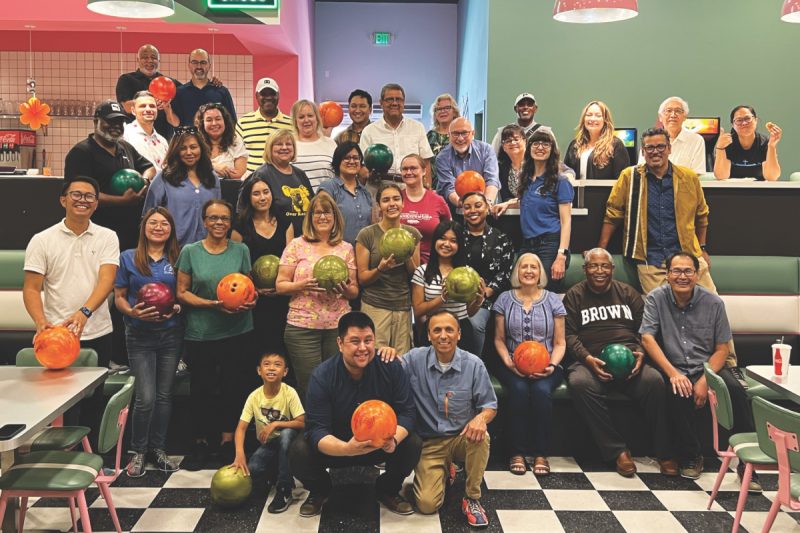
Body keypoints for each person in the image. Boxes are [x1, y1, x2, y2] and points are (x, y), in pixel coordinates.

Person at [288, 311, 421, 518]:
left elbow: (407, 413)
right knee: (299, 450)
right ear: (340, 343)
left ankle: (387, 489)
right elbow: (317, 430)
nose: (362, 348)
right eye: (354, 341)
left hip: (381, 444)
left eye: (368, 340)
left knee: (413, 443)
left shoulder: (391, 366)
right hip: (339, 445)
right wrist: (346, 449)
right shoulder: (322, 376)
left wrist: (393, 439)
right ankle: (320, 490)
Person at [640, 252, 756, 486]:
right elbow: (647, 339)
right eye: (676, 271)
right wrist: (673, 373)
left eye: (687, 271)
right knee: (677, 390)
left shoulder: (713, 302)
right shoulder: (655, 298)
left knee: (736, 390)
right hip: (674, 365)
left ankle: (749, 464)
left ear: (697, 274)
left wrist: (704, 380)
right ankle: (692, 456)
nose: (682, 276)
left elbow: (722, 349)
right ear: (668, 274)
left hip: (709, 365)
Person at [563, 248, 676, 477]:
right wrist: (586, 358)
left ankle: (665, 452)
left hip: (631, 361)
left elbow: (647, 330)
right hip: (591, 362)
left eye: (604, 266)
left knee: (655, 381)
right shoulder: (574, 295)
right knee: (579, 383)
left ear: (612, 269)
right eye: (593, 266)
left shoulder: (627, 293)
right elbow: (568, 335)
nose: (599, 271)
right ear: (585, 269)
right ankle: (617, 452)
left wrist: (641, 353)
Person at [176, 199, 256, 470]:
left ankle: (226, 442)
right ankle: (199, 443)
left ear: (230, 221)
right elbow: (181, 292)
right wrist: (209, 304)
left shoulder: (241, 250)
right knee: (202, 390)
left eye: (224, 218)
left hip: (238, 331)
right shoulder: (190, 251)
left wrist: (250, 302)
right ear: (204, 221)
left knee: (233, 389)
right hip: (201, 333)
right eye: (213, 218)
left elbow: (247, 288)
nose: (219, 223)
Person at [402, 310, 497, 527]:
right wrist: (386, 354)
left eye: (449, 330)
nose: (443, 335)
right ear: (429, 336)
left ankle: (472, 498)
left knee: (482, 437)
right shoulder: (413, 359)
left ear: (459, 334)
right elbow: (389, 371)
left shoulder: (474, 364)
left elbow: (490, 406)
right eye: (437, 330)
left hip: (461, 437)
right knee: (427, 505)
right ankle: (445, 468)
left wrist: (481, 418)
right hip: (430, 442)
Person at [598, 127, 718, 295]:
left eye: (661, 147)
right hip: (650, 260)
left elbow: (701, 215)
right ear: (643, 151)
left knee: (712, 304)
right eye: (650, 148)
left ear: (669, 149)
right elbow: (613, 215)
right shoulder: (629, 177)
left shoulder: (688, 177)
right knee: (660, 309)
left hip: (688, 255)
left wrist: (703, 248)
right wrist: (601, 250)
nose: (655, 152)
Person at [113, 207, 182, 477]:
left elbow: (184, 295)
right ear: (144, 227)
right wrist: (131, 311)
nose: (158, 227)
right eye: (153, 222)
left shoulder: (177, 257)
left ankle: (159, 449)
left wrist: (177, 308)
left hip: (171, 334)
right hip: (139, 335)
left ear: (171, 229)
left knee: (165, 396)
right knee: (146, 397)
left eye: (164, 223)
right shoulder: (129, 257)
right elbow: (119, 296)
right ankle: (138, 451)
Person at [23, 176, 119, 369]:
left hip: (97, 331)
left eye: (89, 196)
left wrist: (84, 313)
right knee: (54, 394)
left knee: (94, 397)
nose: (83, 200)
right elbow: (32, 289)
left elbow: (107, 280)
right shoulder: (41, 240)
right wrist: (41, 322)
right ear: (63, 200)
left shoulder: (108, 237)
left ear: (96, 204)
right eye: (76, 194)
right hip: (55, 334)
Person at [275, 192, 359, 397]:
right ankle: (313, 429)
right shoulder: (296, 245)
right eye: (317, 213)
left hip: (337, 328)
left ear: (335, 217)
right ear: (310, 217)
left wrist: (345, 290)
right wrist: (302, 285)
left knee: (338, 384)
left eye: (327, 212)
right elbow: (280, 285)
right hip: (302, 328)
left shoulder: (345, 248)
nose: (322, 217)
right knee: (310, 386)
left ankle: (335, 429)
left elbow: (354, 290)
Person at [492, 253, 566, 476]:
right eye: (524, 267)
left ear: (540, 273)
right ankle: (517, 452)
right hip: (512, 364)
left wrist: (551, 366)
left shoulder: (553, 299)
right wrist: (508, 361)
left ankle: (541, 453)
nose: (529, 271)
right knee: (519, 390)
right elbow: (498, 339)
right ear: (517, 272)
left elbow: (560, 343)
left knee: (542, 392)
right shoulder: (504, 298)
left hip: (548, 365)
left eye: (534, 267)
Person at [64, 100, 156, 251]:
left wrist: (144, 181)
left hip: (130, 232)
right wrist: (122, 201)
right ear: (96, 122)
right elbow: (80, 194)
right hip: (97, 233)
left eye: (120, 122)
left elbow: (149, 167)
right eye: (110, 121)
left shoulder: (125, 147)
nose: (116, 126)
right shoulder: (81, 153)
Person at [494, 128, 573, 292]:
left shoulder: (560, 181)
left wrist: (561, 255)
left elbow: (566, 221)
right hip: (528, 243)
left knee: (544, 290)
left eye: (546, 143)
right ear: (529, 148)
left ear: (552, 150)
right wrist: (508, 203)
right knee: (517, 286)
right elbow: (529, 200)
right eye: (536, 143)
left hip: (550, 243)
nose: (540, 147)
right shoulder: (527, 178)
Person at [230, 351, 305, 514]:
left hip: (290, 442)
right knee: (254, 469)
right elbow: (241, 428)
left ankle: (285, 488)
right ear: (259, 370)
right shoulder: (254, 396)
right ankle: (276, 470)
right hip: (270, 444)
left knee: (285, 435)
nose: (271, 368)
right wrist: (239, 454)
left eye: (277, 365)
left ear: (285, 372)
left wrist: (276, 424)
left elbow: (302, 422)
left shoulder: (289, 392)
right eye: (267, 364)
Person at [356, 182, 422, 354]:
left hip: (402, 306)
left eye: (396, 199)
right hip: (374, 306)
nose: (391, 203)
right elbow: (362, 278)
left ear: (403, 203)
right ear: (379, 206)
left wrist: (406, 258)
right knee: (374, 359)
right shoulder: (367, 234)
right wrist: (380, 269)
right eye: (386, 200)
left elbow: (416, 276)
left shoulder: (412, 234)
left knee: (401, 361)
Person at [231, 176, 293, 355]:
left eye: (266, 192)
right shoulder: (240, 225)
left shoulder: (283, 221)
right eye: (256, 194)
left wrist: (282, 285)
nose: (262, 197)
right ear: (248, 198)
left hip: (282, 295)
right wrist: (255, 289)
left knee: (281, 345)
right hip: (252, 298)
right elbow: (236, 265)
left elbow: (290, 259)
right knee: (257, 347)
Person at [412, 220, 485, 354]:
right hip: (434, 329)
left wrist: (479, 301)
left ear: (459, 245)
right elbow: (418, 310)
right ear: (435, 241)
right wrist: (442, 298)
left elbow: (469, 312)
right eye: (442, 239)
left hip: (461, 329)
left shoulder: (467, 272)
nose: (446, 244)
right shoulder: (422, 271)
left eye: (453, 241)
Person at [143, 126, 221, 247]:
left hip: (206, 250)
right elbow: (147, 217)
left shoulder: (212, 178)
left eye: (193, 147)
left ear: (201, 148)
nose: (189, 152)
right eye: (183, 148)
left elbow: (218, 214)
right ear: (175, 150)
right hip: (172, 250)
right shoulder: (163, 178)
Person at [461, 191, 514, 356]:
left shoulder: (501, 238)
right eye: (467, 207)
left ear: (487, 208)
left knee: (473, 323)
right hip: (457, 297)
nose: (472, 210)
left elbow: (505, 272)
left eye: (478, 205)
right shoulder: (456, 236)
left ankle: (474, 367)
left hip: (489, 299)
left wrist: (486, 292)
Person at [246, 129, 314, 236]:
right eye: (279, 144)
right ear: (270, 148)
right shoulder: (262, 174)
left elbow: (312, 205)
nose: (284, 147)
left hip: (304, 239)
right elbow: (247, 209)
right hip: (277, 239)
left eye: (288, 144)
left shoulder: (300, 174)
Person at [359, 83, 434, 180]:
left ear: (403, 103)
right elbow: (362, 166)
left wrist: (427, 189)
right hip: (379, 188)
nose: (394, 103)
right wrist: (369, 174)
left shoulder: (417, 127)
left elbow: (426, 162)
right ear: (381, 103)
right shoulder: (369, 131)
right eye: (389, 99)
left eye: (398, 99)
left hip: (410, 187)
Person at [115, 44, 179, 138]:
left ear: (158, 60)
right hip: (134, 138)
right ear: (138, 60)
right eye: (145, 57)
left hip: (163, 139)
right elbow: (126, 107)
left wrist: (166, 108)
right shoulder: (126, 79)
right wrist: (151, 101)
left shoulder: (170, 83)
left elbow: (176, 122)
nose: (149, 61)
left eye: (153, 57)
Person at [435, 117, 500, 208]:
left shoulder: (486, 150)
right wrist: (466, 206)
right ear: (449, 135)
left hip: (484, 208)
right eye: (455, 134)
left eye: (465, 133)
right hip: (454, 210)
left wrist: (486, 203)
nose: (460, 138)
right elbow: (448, 187)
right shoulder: (442, 158)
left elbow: (492, 180)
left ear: (473, 133)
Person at [318, 141, 374, 246]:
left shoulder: (365, 192)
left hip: (363, 254)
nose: (352, 161)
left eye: (356, 158)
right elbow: (319, 223)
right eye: (347, 157)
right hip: (335, 253)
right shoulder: (328, 188)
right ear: (337, 161)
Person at [398, 153, 451, 262]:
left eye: (413, 168)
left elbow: (450, 233)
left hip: (431, 265)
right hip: (399, 265)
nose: (408, 172)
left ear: (424, 171)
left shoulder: (438, 201)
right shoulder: (395, 199)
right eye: (405, 169)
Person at [237, 77, 293, 173]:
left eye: (272, 94)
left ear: (278, 95)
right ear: (257, 96)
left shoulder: (291, 124)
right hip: (252, 182)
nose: (268, 97)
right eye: (263, 94)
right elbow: (236, 154)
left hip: (282, 180)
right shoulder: (243, 122)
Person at [637, 97, 705, 174]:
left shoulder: (696, 140)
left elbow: (697, 173)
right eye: (668, 111)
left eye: (678, 111)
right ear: (660, 117)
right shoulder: (649, 140)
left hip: (683, 185)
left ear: (685, 117)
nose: (673, 115)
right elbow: (642, 170)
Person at [564, 100, 630, 180]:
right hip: (578, 192)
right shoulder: (575, 145)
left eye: (598, 116)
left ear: (605, 120)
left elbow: (622, 181)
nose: (592, 119)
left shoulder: (615, 145)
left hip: (605, 192)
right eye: (589, 115)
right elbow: (566, 172)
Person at [713, 105, 782, 181]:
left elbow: (772, 177)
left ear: (756, 120)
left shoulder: (765, 142)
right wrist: (720, 148)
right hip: (732, 189)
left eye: (747, 118)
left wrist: (771, 146)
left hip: (759, 189)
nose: (744, 123)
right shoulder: (726, 142)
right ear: (733, 125)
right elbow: (721, 176)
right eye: (739, 120)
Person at [171, 49, 236, 126]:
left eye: (203, 62)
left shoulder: (222, 91)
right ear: (189, 65)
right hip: (189, 138)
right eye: (194, 62)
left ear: (209, 66)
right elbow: (175, 123)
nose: (199, 66)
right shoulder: (179, 93)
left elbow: (232, 122)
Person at [291, 99, 337, 192]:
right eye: (301, 117)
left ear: (317, 118)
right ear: (295, 121)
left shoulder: (331, 144)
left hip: (326, 202)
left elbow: (339, 177)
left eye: (310, 116)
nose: (306, 120)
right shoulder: (289, 144)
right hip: (295, 204)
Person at [196, 102, 248, 180]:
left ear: (225, 121)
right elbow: (191, 169)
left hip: (229, 189)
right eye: (209, 120)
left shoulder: (235, 142)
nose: (214, 123)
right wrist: (213, 167)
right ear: (202, 124)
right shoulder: (196, 142)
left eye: (218, 119)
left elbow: (239, 174)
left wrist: (205, 168)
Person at [123, 91, 168, 169]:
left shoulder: (162, 141)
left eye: (152, 106)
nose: (148, 109)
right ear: (133, 111)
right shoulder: (125, 134)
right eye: (142, 106)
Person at [426, 94, 460, 190]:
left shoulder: (460, 134)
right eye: (439, 109)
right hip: (433, 188)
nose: (443, 111)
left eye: (447, 108)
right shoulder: (430, 136)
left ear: (454, 111)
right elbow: (424, 163)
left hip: (456, 186)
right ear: (435, 114)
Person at [497, 124, 526, 202]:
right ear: (503, 147)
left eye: (516, 139)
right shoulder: (500, 168)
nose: (513, 143)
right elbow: (505, 197)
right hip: (510, 212)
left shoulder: (535, 164)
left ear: (525, 141)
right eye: (508, 141)